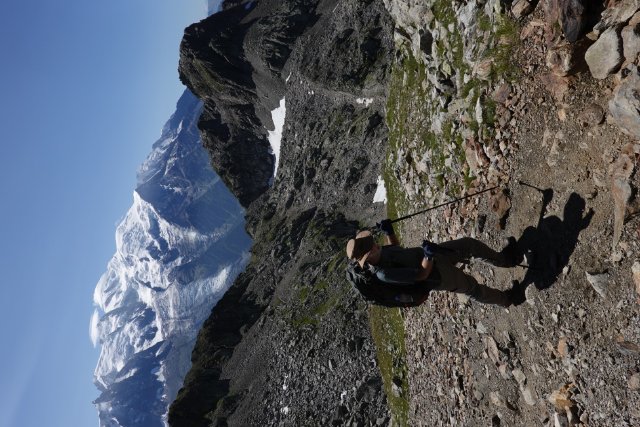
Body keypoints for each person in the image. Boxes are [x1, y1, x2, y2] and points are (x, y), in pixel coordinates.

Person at [345, 219, 522, 307]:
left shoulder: (381, 253)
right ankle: (507, 299)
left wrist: (389, 232)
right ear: (367, 257)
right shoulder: (383, 274)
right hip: (438, 276)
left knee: (468, 245)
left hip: (432, 257)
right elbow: (421, 275)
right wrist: (428, 256)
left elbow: (397, 248)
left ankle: (505, 259)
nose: (375, 243)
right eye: (371, 246)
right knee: (471, 288)